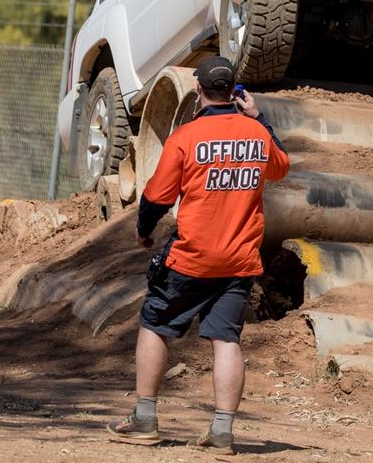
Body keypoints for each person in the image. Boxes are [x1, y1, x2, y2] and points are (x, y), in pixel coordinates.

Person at [106, 56, 290, 452]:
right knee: (225, 339)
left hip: (191, 258)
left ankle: (144, 418)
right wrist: (259, 118)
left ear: (198, 90)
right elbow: (280, 168)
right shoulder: (256, 134)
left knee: (155, 323)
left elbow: (156, 196)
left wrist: (143, 231)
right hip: (239, 261)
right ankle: (222, 431)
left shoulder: (187, 137)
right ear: (235, 92)